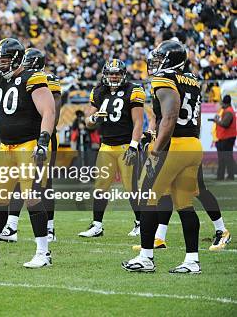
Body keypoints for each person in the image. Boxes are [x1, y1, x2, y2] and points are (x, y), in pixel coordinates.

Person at [0, 38, 55, 268]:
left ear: (16, 59)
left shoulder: (31, 77)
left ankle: (43, 253)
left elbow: (48, 110)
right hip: (5, 147)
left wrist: (43, 141)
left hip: (27, 145)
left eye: (4, 59)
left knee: (32, 198)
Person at [123, 39, 203, 274]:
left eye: (160, 58)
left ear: (171, 61)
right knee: (185, 205)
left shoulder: (164, 79)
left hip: (172, 147)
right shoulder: (193, 80)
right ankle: (192, 260)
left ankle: (146, 257)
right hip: (192, 144)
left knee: (148, 199)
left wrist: (156, 148)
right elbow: (189, 120)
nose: (155, 63)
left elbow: (170, 117)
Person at [0, 48, 63, 242]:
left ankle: (49, 228)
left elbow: (53, 112)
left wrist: (44, 135)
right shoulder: (16, 78)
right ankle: (11, 225)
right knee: (16, 183)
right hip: (21, 138)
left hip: (42, 137)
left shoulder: (44, 79)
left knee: (43, 186)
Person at [79, 59, 145, 238]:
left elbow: (138, 121)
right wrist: (94, 119)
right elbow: (87, 121)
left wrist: (133, 146)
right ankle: (97, 225)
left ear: (123, 74)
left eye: (117, 73)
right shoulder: (99, 91)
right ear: (105, 74)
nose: (114, 76)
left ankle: (140, 223)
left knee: (131, 187)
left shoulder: (133, 90)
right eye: (111, 73)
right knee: (100, 187)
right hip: (106, 146)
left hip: (125, 145)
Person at [213, 95, 235, 180]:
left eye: (223, 103)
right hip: (227, 137)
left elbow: (225, 124)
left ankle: (228, 175)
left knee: (225, 158)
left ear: (226, 103)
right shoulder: (228, 110)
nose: (222, 105)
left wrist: (217, 121)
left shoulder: (228, 111)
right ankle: (223, 175)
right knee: (226, 157)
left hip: (227, 138)